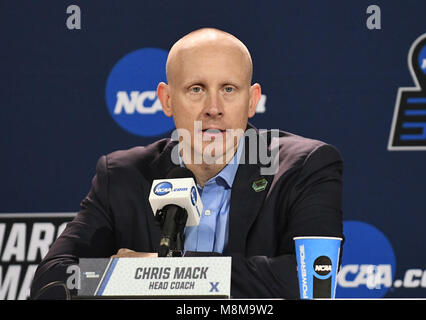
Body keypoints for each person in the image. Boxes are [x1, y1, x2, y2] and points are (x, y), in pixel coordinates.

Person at [30, 28, 344, 299]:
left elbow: (313, 281)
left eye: (228, 89)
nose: (214, 108)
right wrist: (140, 277)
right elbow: (54, 279)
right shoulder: (122, 175)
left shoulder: (305, 167)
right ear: (167, 100)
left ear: (252, 100)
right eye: (197, 89)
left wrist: (161, 273)